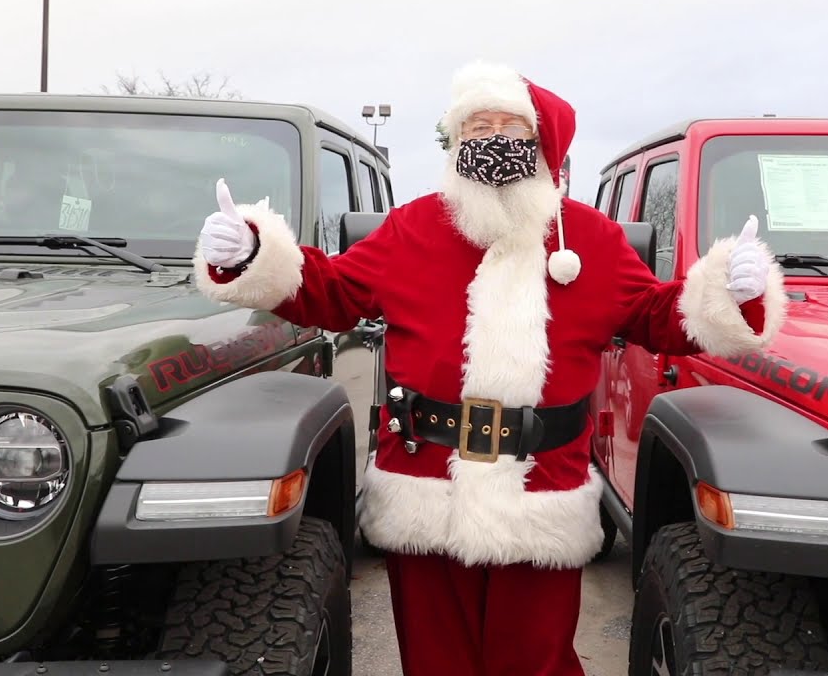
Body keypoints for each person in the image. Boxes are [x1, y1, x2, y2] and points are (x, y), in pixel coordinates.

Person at [192, 61, 787, 676]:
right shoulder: (411, 228)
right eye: (478, 127)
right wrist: (253, 254)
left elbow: (658, 316)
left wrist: (729, 293)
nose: (494, 140)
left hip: (541, 490)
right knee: (435, 663)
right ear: (457, 140)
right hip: (426, 485)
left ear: (541, 143)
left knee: (535, 663)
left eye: (511, 127)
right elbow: (334, 292)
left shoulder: (591, 239)